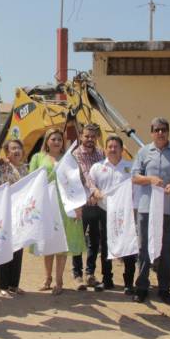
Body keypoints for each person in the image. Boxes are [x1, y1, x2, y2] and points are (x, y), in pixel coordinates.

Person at [132, 117, 170, 304]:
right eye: (157, 129)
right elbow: (134, 177)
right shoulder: (143, 152)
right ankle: (141, 287)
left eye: (164, 129)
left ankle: (164, 288)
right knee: (143, 248)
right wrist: (149, 179)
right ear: (151, 132)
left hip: (168, 209)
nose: (160, 133)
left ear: (168, 132)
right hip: (146, 208)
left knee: (166, 249)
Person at [29, 128, 85, 296]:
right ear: (47, 141)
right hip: (46, 204)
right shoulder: (38, 158)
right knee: (48, 242)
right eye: (53, 139)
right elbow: (31, 181)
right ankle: (47, 278)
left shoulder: (69, 159)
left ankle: (59, 280)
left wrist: (78, 206)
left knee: (62, 243)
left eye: (59, 139)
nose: (56, 142)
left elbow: (76, 183)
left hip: (65, 205)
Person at [88, 135, 138, 296]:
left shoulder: (131, 168)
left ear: (122, 149)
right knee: (106, 246)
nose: (113, 149)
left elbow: (136, 188)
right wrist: (95, 191)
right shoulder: (97, 167)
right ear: (105, 149)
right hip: (105, 212)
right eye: (110, 146)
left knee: (128, 247)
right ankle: (107, 280)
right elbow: (90, 183)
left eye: (116, 146)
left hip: (125, 213)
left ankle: (129, 283)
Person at [72, 124, 107, 291]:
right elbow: (86, 175)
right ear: (81, 136)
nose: (90, 140)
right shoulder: (76, 155)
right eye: (87, 136)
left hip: (97, 204)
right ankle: (77, 275)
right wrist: (94, 192)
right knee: (78, 240)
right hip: (81, 204)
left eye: (93, 136)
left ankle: (90, 273)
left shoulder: (101, 153)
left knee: (94, 239)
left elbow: (104, 174)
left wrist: (98, 195)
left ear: (97, 137)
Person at [0, 139, 28, 297]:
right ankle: (2, 285)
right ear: (7, 152)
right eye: (13, 148)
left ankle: (14, 284)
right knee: (3, 248)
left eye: (19, 148)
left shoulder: (24, 168)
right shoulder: (2, 166)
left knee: (18, 249)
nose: (16, 151)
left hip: (19, 214)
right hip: (4, 212)